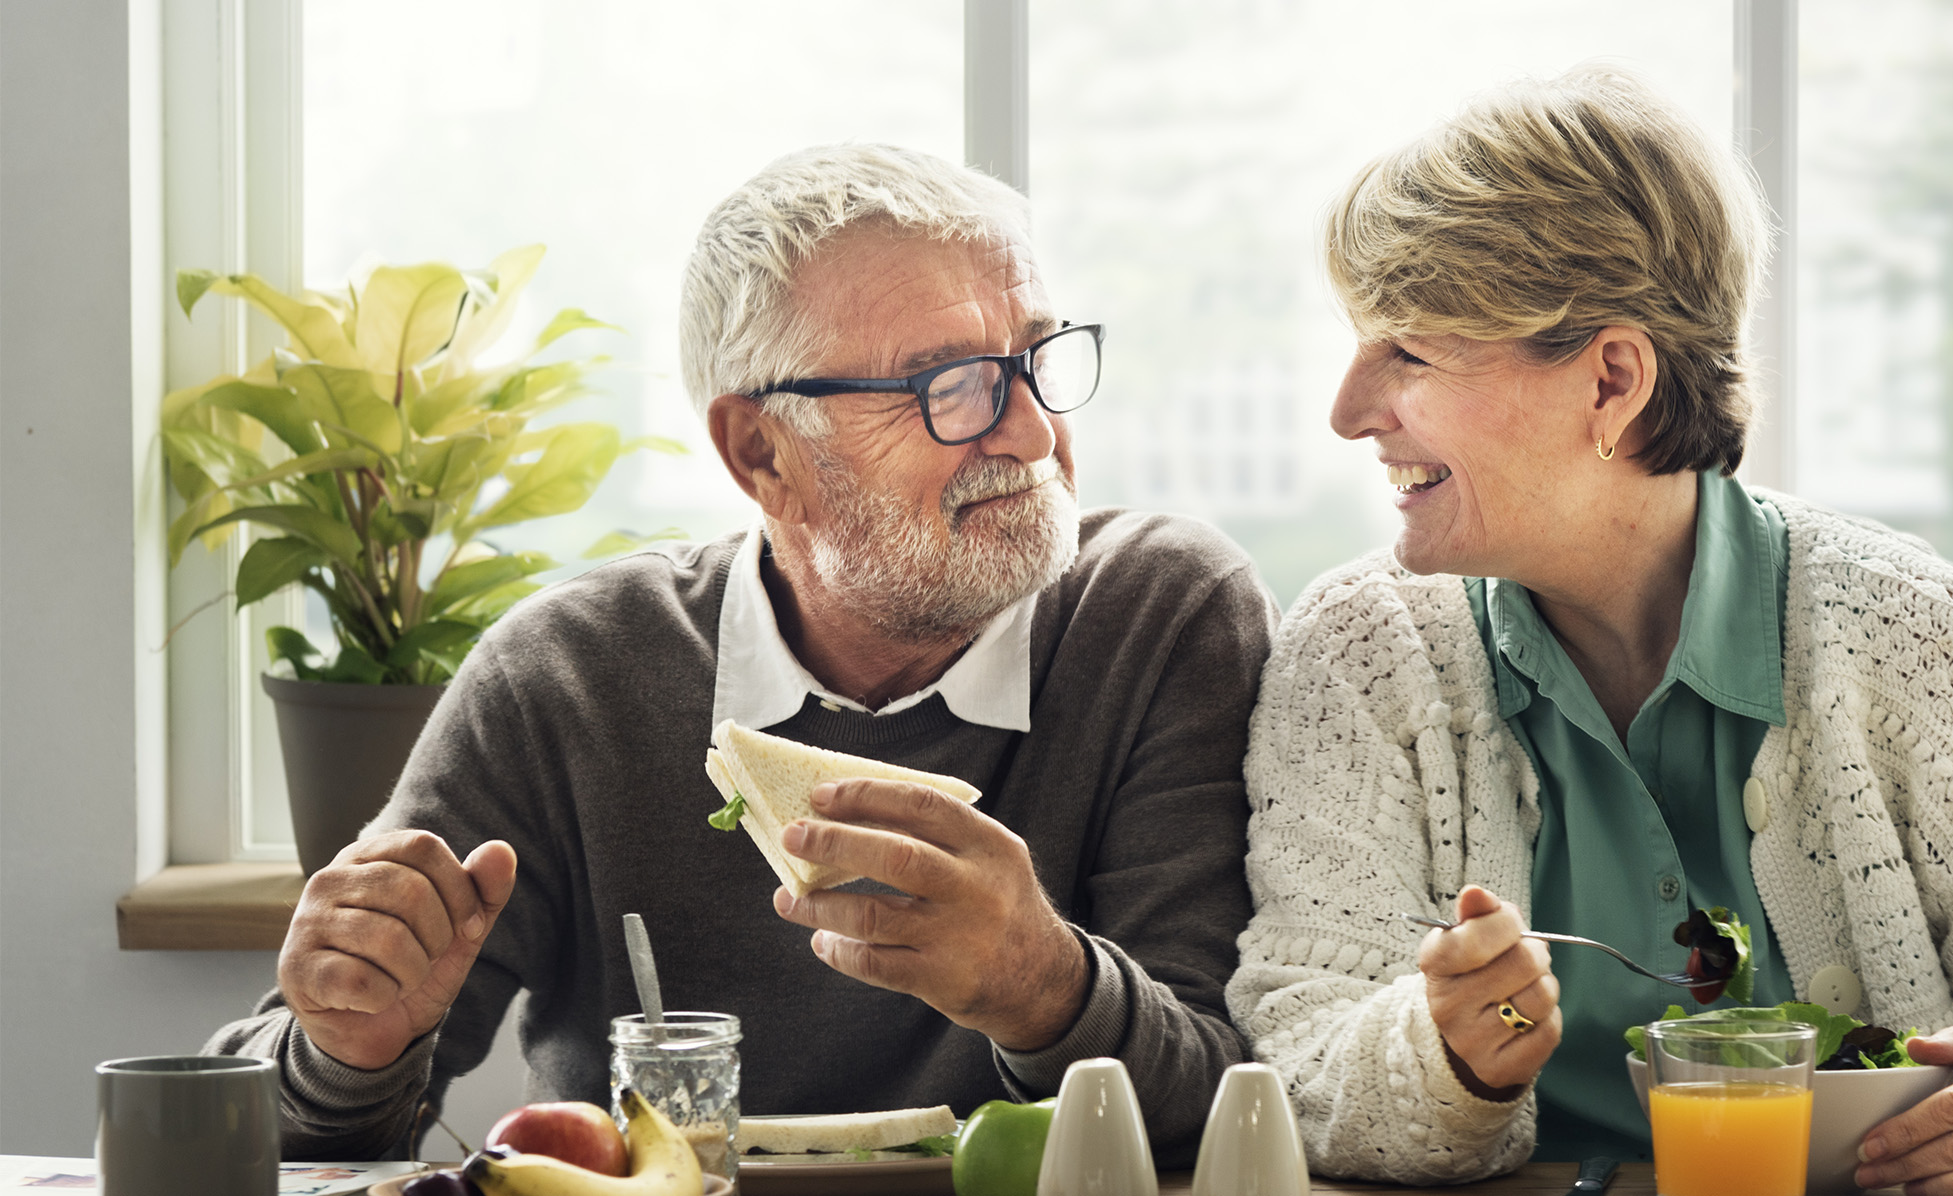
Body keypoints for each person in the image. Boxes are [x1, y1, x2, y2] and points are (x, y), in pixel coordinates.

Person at [1229, 66, 1953, 1193]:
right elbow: (1294, 1052)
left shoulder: (1916, 637)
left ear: (1610, 378)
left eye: (1408, 350)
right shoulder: (1362, 652)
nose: (1350, 409)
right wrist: (1447, 1056)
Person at [208, 143, 1272, 1162]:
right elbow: (274, 1141)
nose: (1034, 435)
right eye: (950, 385)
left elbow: (1237, 1115)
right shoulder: (569, 674)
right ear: (760, 450)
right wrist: (348, 1045)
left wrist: (1042, 984)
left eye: (1036, 359)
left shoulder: (1160, 615)